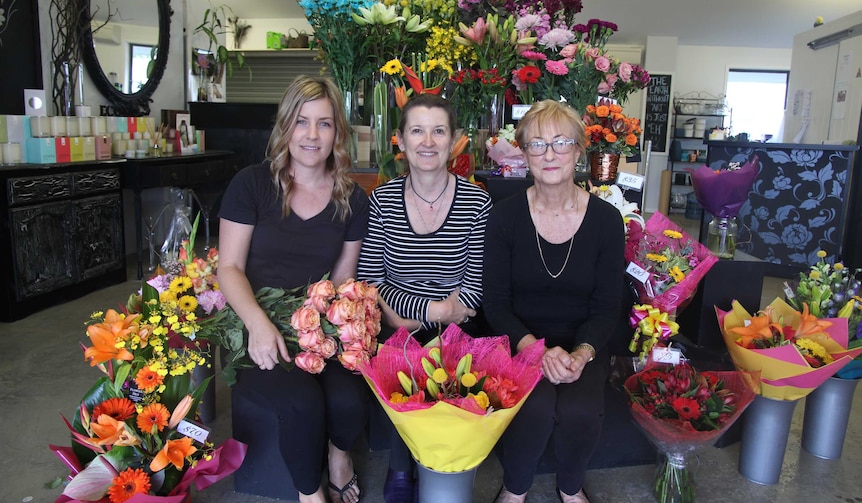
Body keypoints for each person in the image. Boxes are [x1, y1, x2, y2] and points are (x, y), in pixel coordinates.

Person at [218, 76, 370, 503]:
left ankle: (340, 458)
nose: (312, 135)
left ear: (337, 132)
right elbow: (228, 267)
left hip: (317, 326)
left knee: (350, 400)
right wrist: (259, 325)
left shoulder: (351, 199)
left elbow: (341, 280)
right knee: (302, 404)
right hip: (257, 320)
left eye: (324, 124)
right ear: (285, 126)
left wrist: (334, 333)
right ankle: (311, 494)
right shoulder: (251, 184)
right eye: (302, 122)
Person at [483, 100, 625, 503]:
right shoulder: (505, 217)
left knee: (582, 411)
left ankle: (570, 486)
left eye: (561, 142)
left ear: (580, 150)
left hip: (584, 341)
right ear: (523, 153)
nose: (549, 154)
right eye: (537, 144)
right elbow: (495, 303)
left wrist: (580, 355)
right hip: (519, 341)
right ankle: (515, 488)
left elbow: (605, 307)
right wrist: (534, 350)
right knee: (533, 409)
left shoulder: (605, 221)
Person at [357, 93, 492, 503]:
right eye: (417, 131)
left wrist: (421, 317)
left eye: (438, 131)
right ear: (400, 139)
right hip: (394, 323)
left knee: (441, 362)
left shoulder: (477, 203)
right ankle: (401, 465)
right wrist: (432, 310)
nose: (427, 141)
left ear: (454, 142)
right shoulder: (382, 200)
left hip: (457, 329)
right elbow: (370, 279)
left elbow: (474, 289)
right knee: (403, 358)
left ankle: (442, 463)